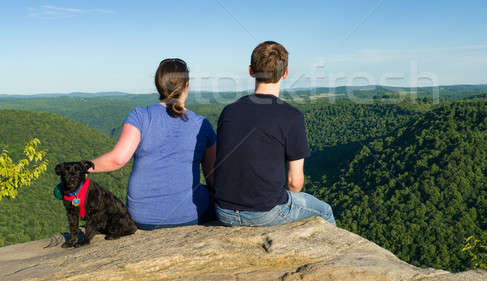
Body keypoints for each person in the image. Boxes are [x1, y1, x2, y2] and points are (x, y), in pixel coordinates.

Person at [213, 41, 336, 226]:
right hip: (265, 213)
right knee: (325, 211)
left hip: (223, 211)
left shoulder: (228, 111)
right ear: (285, 73)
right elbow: (295, 182)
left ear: (251, 70)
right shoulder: (291, 116)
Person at [89, 58, 216, 230]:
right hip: (188, 215)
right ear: (187, 85)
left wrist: (84, 168)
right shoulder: (202, 124)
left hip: (142, 216)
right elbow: (212, 177)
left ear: (158, 84)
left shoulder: (140, 116)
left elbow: (117, 159)